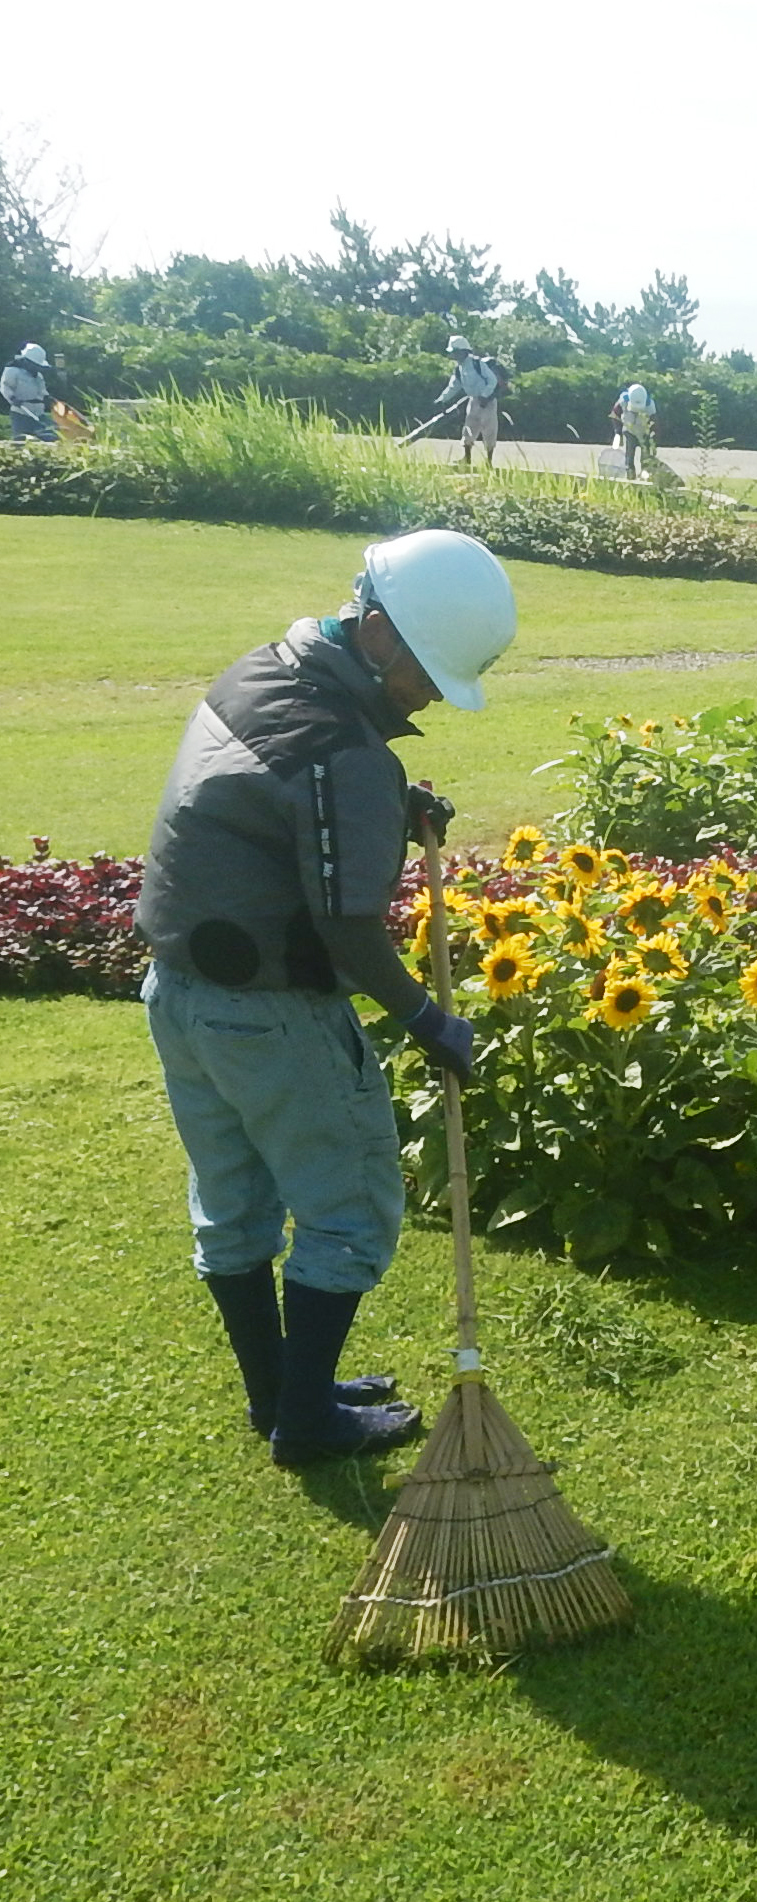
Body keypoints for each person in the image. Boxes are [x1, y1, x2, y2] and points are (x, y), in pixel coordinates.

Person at [136, 529, 518, 1466]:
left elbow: (274, 803)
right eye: (426, 671)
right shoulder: (347, 755)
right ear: (378, 631)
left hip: (179, 995)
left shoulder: (262, 673)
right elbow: (349, 929)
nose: (431, 695)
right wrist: (431, 1021)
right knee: (347, 1207)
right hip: (274, 1013)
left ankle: (278, 1394)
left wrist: (391, 807)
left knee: (233, 1205)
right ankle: (305, 1421)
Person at [436, 333, 503, 467]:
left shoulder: (478, 364)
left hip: (487, 401)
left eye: (455, 352)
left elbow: (492, 381)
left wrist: (485, 396)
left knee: (489, 429)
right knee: (469, 428)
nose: (453, 356)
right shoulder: (459, 369)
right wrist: (441, 400)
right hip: (473, 400)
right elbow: (453, 387)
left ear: (462, 352)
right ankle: (467, 459)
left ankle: (489, 462)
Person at [4, 341, 59, 441]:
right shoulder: (12, 371)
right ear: (27, 361)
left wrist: (47, 397)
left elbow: (42, 390)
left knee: (50, 435)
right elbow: (5, 387)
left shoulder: (38, 376)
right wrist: (12, 398)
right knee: (21, 441)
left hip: (38, 412)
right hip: (21, 413)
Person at [610, 380, 657, 479]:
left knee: (646, 461)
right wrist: (617, 432)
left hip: (645, 435)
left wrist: (653, 440)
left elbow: (654, 423)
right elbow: (614, 415)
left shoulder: (650, 405)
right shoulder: (623, 400)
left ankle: (645, 482)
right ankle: (631, 481)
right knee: (629, 460)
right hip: (629, 432)